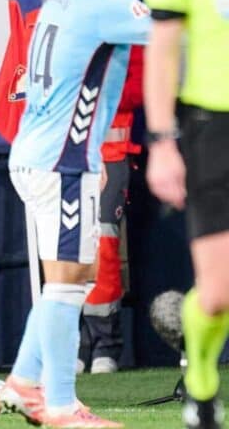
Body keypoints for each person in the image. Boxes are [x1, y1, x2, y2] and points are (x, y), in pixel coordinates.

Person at [2, 0, 150, 426]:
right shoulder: (102, 4)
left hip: (44, 154)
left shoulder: (57, 5)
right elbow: (173, 29)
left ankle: (25, 380)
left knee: (72, 280)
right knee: (68, 282)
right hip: (60, 163)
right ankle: (62, 404)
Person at [143, 0, 229, 427]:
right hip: (214, 127)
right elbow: (162, 46)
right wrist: (161, 142)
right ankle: (201, 374)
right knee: (217, 295)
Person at [80, 45, 145, 375]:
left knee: (104, 246)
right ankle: (77, 343)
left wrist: (94, 87)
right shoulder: (61, 20)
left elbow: (138, 88)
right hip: (64, 157)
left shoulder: (125, 24)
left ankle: (105, 344)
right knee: (65, 251)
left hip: (113, 153)